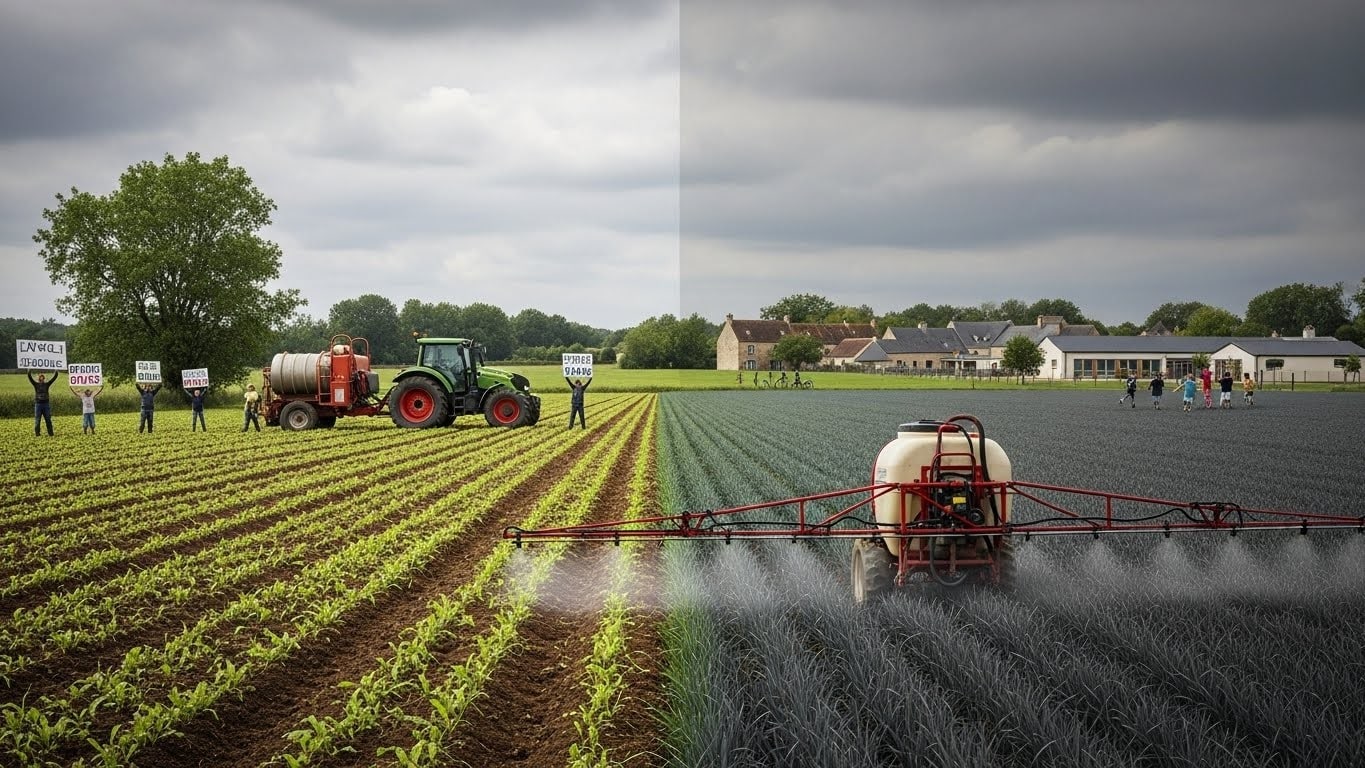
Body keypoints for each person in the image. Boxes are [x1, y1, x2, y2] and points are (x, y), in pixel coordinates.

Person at [28, 370, 61, 436]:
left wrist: (56, 372)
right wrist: (29, 371)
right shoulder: (36, 384)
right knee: (37, 420)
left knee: (48, 419)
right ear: (39, 378)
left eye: (42, 377)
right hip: (38, 404)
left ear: (44, 378)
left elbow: (53, 379)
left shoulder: (47, 384)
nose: (42, 378)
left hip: (46, 404)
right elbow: (30, 378)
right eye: (41, 377)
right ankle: (37, 434)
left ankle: (51, 434)